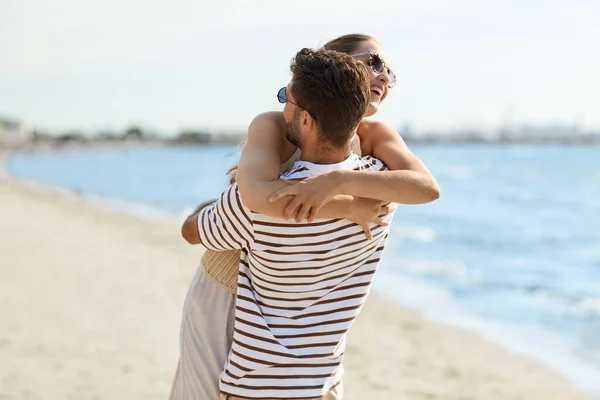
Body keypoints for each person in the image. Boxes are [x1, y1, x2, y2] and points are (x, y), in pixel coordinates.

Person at [169, 34, 440, 400]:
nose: (384, 75)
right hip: (227, 281)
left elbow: (426, 186)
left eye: (388, 69)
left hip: (288, 292)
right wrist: (344, 203)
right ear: (337, 65)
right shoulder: (278, 126)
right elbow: (256, 198)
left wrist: (339, 180)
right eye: (373, 62)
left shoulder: (375, 144)